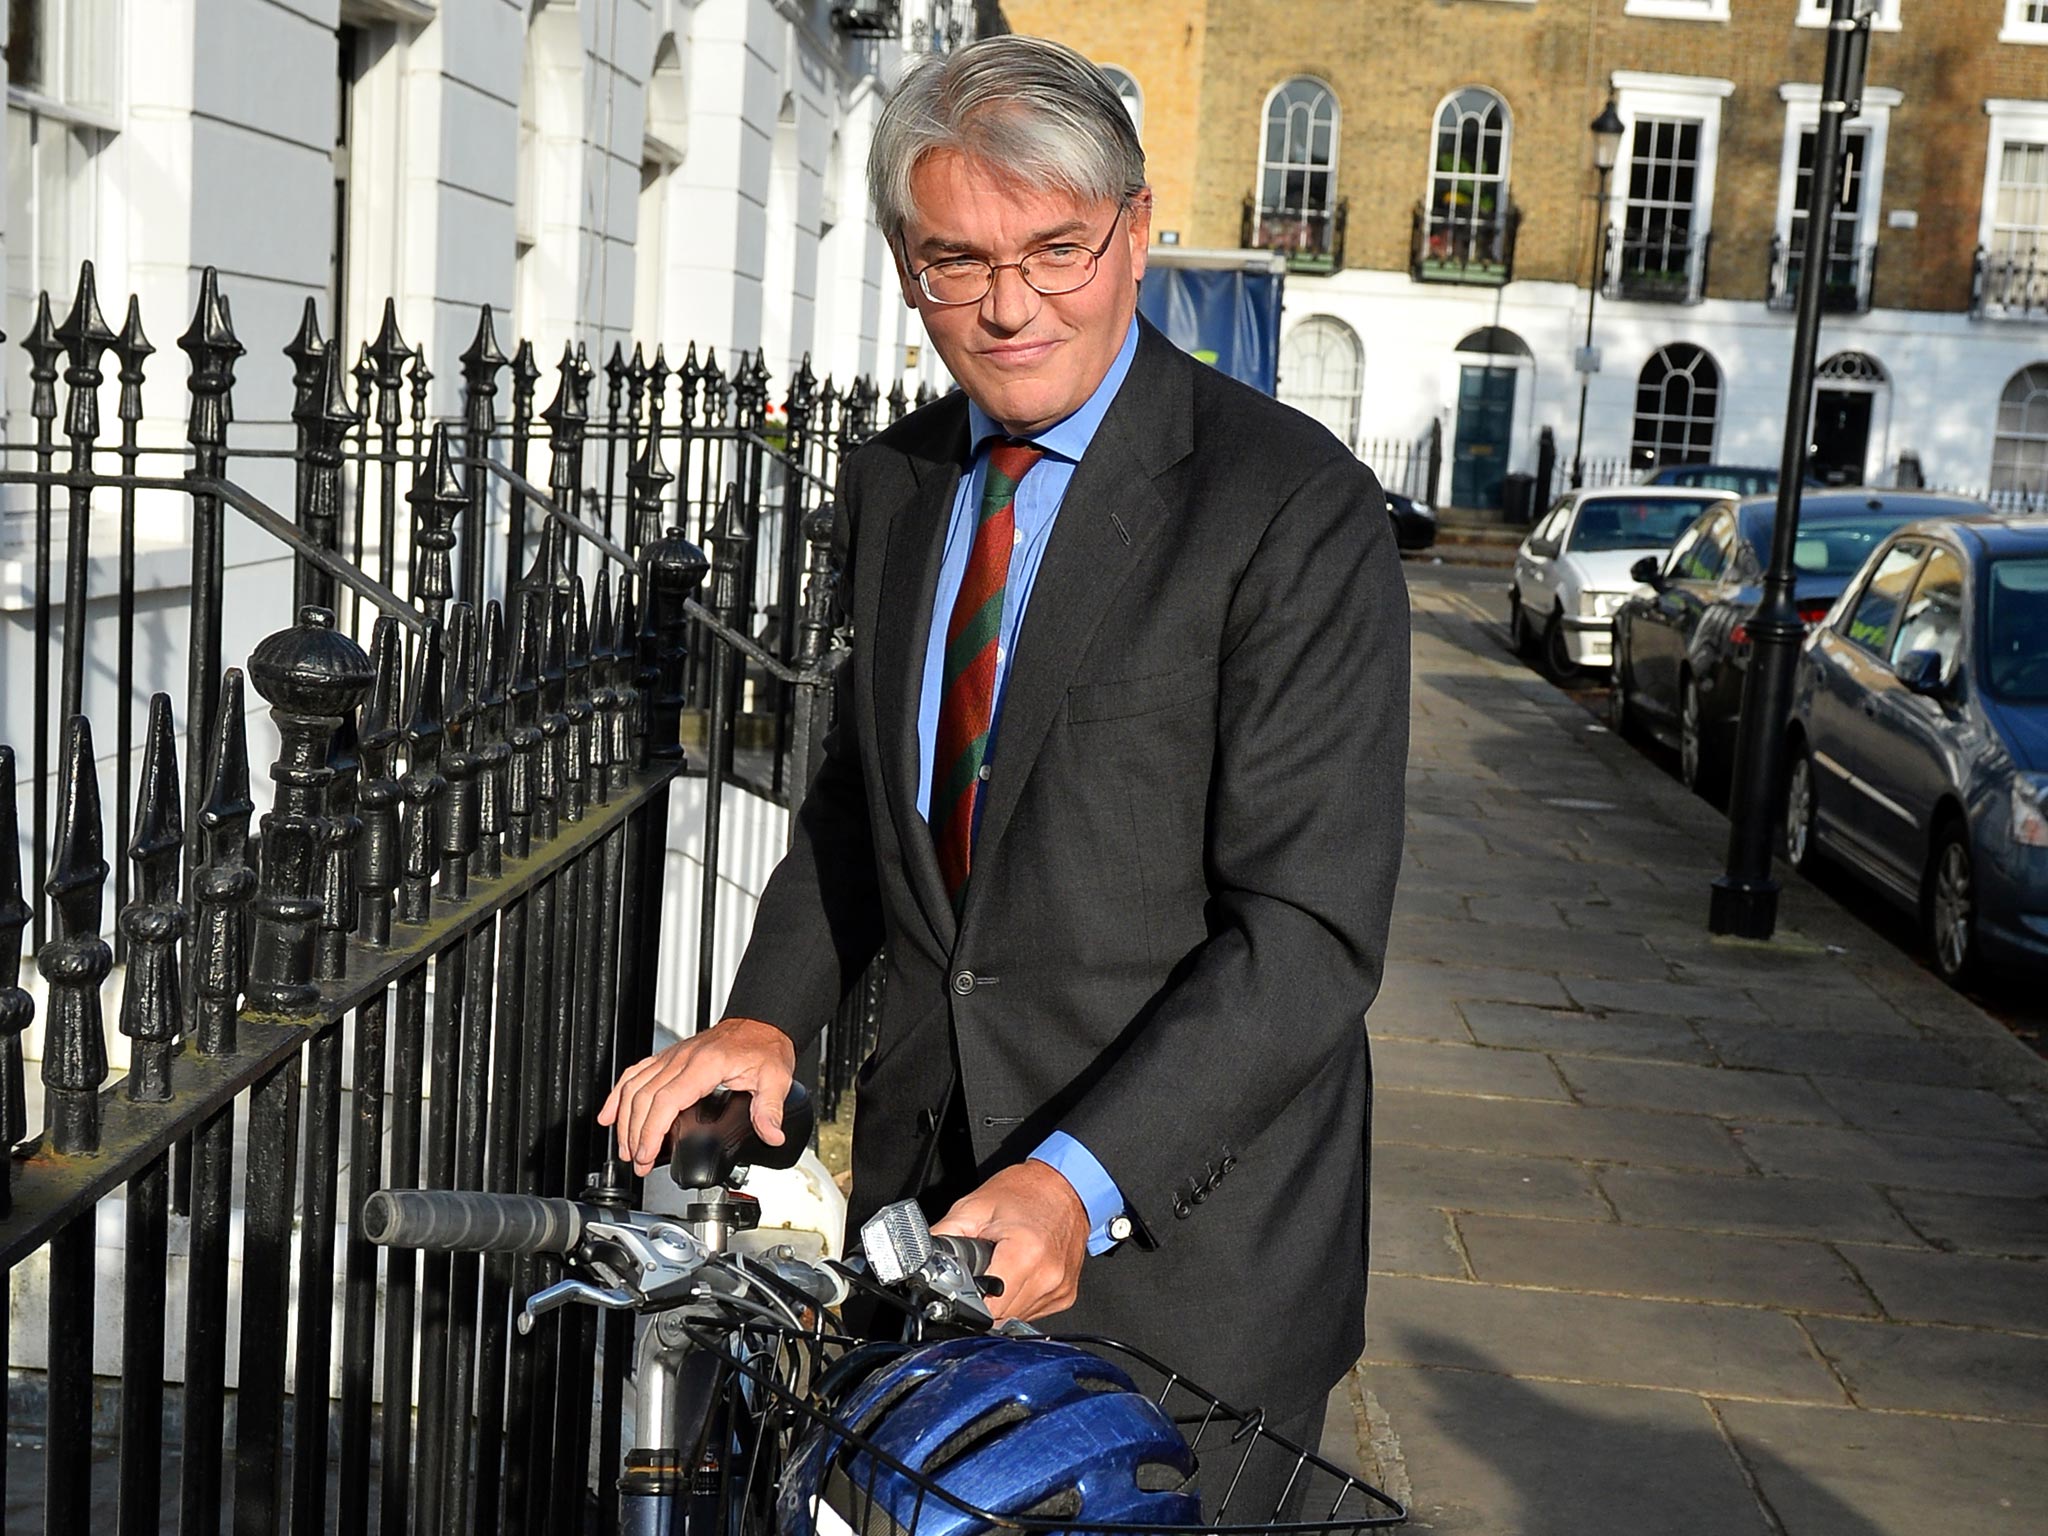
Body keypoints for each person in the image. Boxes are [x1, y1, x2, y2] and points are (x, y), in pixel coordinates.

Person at [600, 32, 1408, 1485]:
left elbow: (1308, 934)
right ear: (909, 263)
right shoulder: (902, 476)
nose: (1009, 305)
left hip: (1188, 1273)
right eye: (955, 262)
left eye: (1056, 248)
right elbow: (867, 800)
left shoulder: (1293, 507)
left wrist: (1076, 1182)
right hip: (925, 1227)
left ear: (1140, 232)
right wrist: (771, 1018)